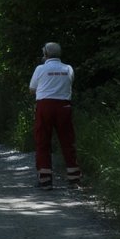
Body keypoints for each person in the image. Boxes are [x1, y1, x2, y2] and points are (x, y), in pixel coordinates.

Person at [28, 41, 80, 189]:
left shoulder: (40, 69)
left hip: (45, 106)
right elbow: (69, 84)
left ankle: (45, 179)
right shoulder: (68, 68)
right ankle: (74, 177)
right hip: (64, 106)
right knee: (67, 140)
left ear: (45, 54)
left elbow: (32, 89)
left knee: (43, 141)